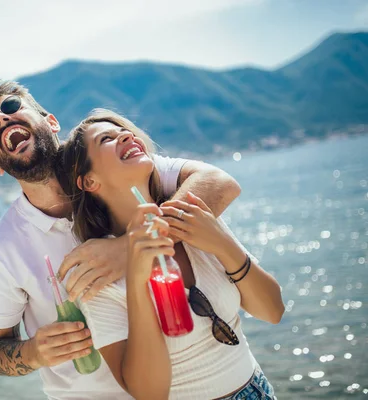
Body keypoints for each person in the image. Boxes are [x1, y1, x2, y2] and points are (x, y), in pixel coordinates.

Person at [0, 79, 242, 399]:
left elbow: (219, 183)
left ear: (52, 122)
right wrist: (33, 353)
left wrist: (128, 248)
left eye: (12, 106)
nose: (0, 119)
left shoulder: (115, 164)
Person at [57, 109, 284, 399]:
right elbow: (150, 394)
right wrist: (137, 282)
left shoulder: (194, 216)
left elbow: (273, 311)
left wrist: (222, 243)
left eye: (125, 132)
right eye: (107, 139)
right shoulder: (100, 271)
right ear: (89, 182)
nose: (127, 136)